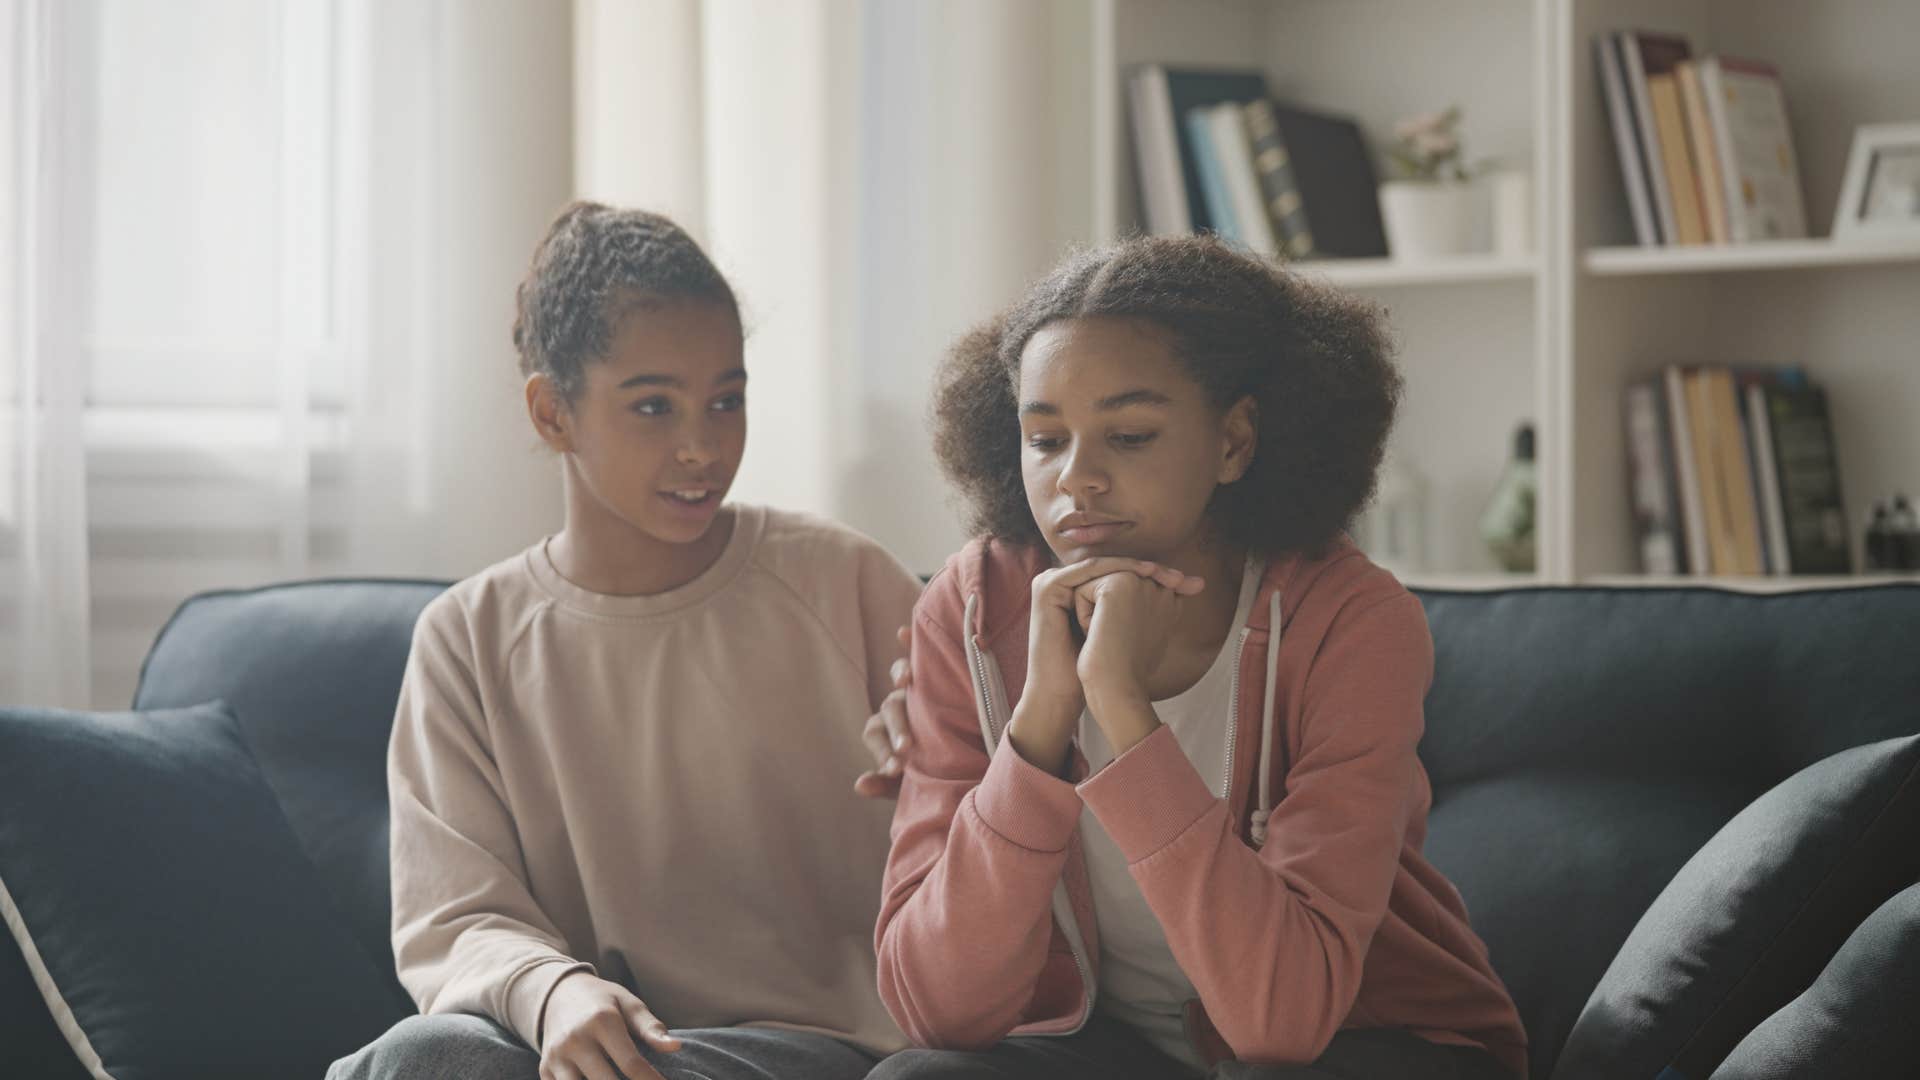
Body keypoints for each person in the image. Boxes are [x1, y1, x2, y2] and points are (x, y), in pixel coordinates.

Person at [869, 235, 1529, 1079]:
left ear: (1235, 441)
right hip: (1114, 1045)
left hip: (1365, 1043)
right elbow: (937, 1009)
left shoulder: (1352, 621)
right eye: (1045, 439)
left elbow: (1281, 1021)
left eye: (1131, 435)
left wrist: (1122, 710)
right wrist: (1039, 724)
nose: (1077, 479)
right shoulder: (970, 611)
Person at [329, 203, 920, 1080]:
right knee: (422, 1059)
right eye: (653, 406)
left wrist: (953, 760)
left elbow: (1004, 815)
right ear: (551, 414)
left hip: (830, 1051)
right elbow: (453, 916)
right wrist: (553, 991)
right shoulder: (467, 642)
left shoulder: (844, 580)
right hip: (610, 1045)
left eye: (727, 400)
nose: (702, 446)